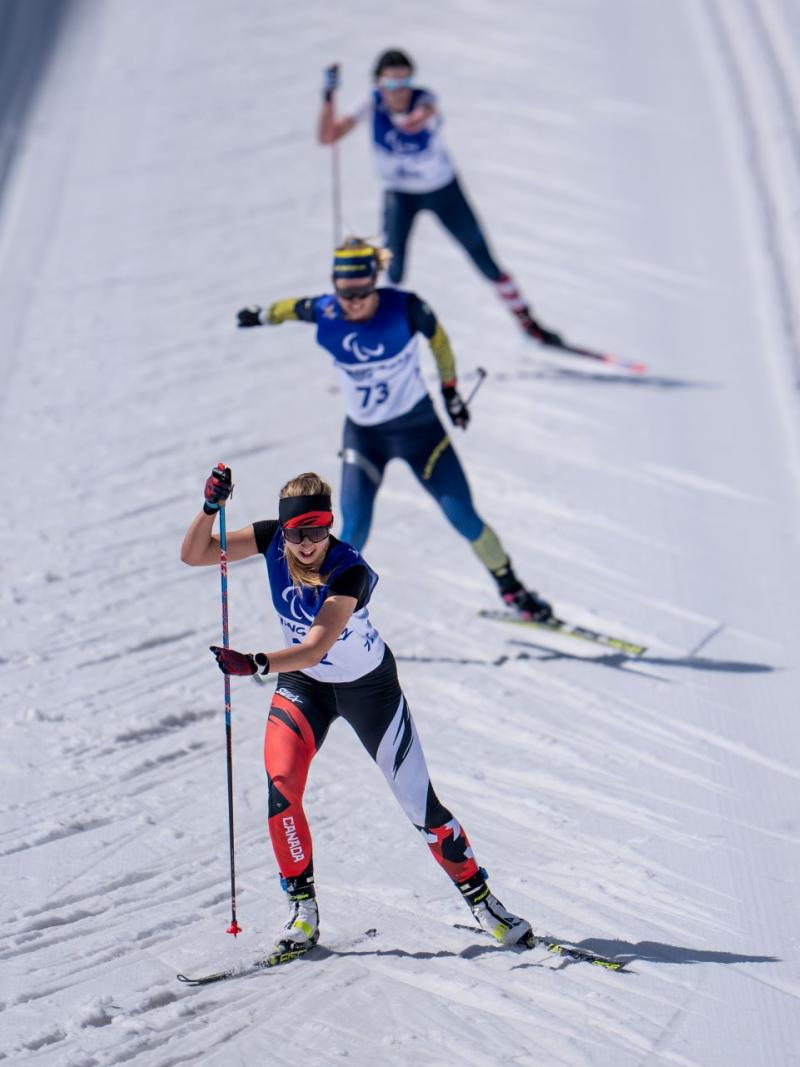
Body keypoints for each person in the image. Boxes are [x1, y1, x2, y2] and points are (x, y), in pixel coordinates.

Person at [181, 466, 533, 955]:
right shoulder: (270, 540)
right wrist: (210, 509)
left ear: (329, 527)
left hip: (370, 690)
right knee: (281, 791)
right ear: (283, 529)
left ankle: (483, 901)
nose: (307, 544)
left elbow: (316, 645)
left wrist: (255, 662)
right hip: (305, 688)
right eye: (297, 533)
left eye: (318, 531)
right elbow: (195, 553)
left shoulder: (348, 569)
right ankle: (302, 911)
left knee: (420, 806)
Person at [236, 237, 553, 622]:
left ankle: (513, 590)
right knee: (352, 531)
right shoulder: (326, 311)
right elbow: (290, 309)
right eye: (345, 293)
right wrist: (261, 314)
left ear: (376, 282)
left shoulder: (405, 308)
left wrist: (451, 392)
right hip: (365, 438)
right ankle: (319, 619)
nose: (353, 302)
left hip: (421, 433)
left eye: (363, 292)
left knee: (464, 517)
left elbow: (439, 341)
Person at [317, 48, 563, 345]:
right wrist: (329, 96)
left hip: (443, 191)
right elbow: (328, 137)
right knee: (390, 269)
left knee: (485, 260)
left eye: (405, 81)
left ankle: (529, 323)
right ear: (379, 84)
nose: (399, 91)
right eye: (392, 84)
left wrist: (407, 113)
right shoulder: (371, 102)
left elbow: (415, 121)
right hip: (400, 195)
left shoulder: (423, 100)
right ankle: (372, 330)